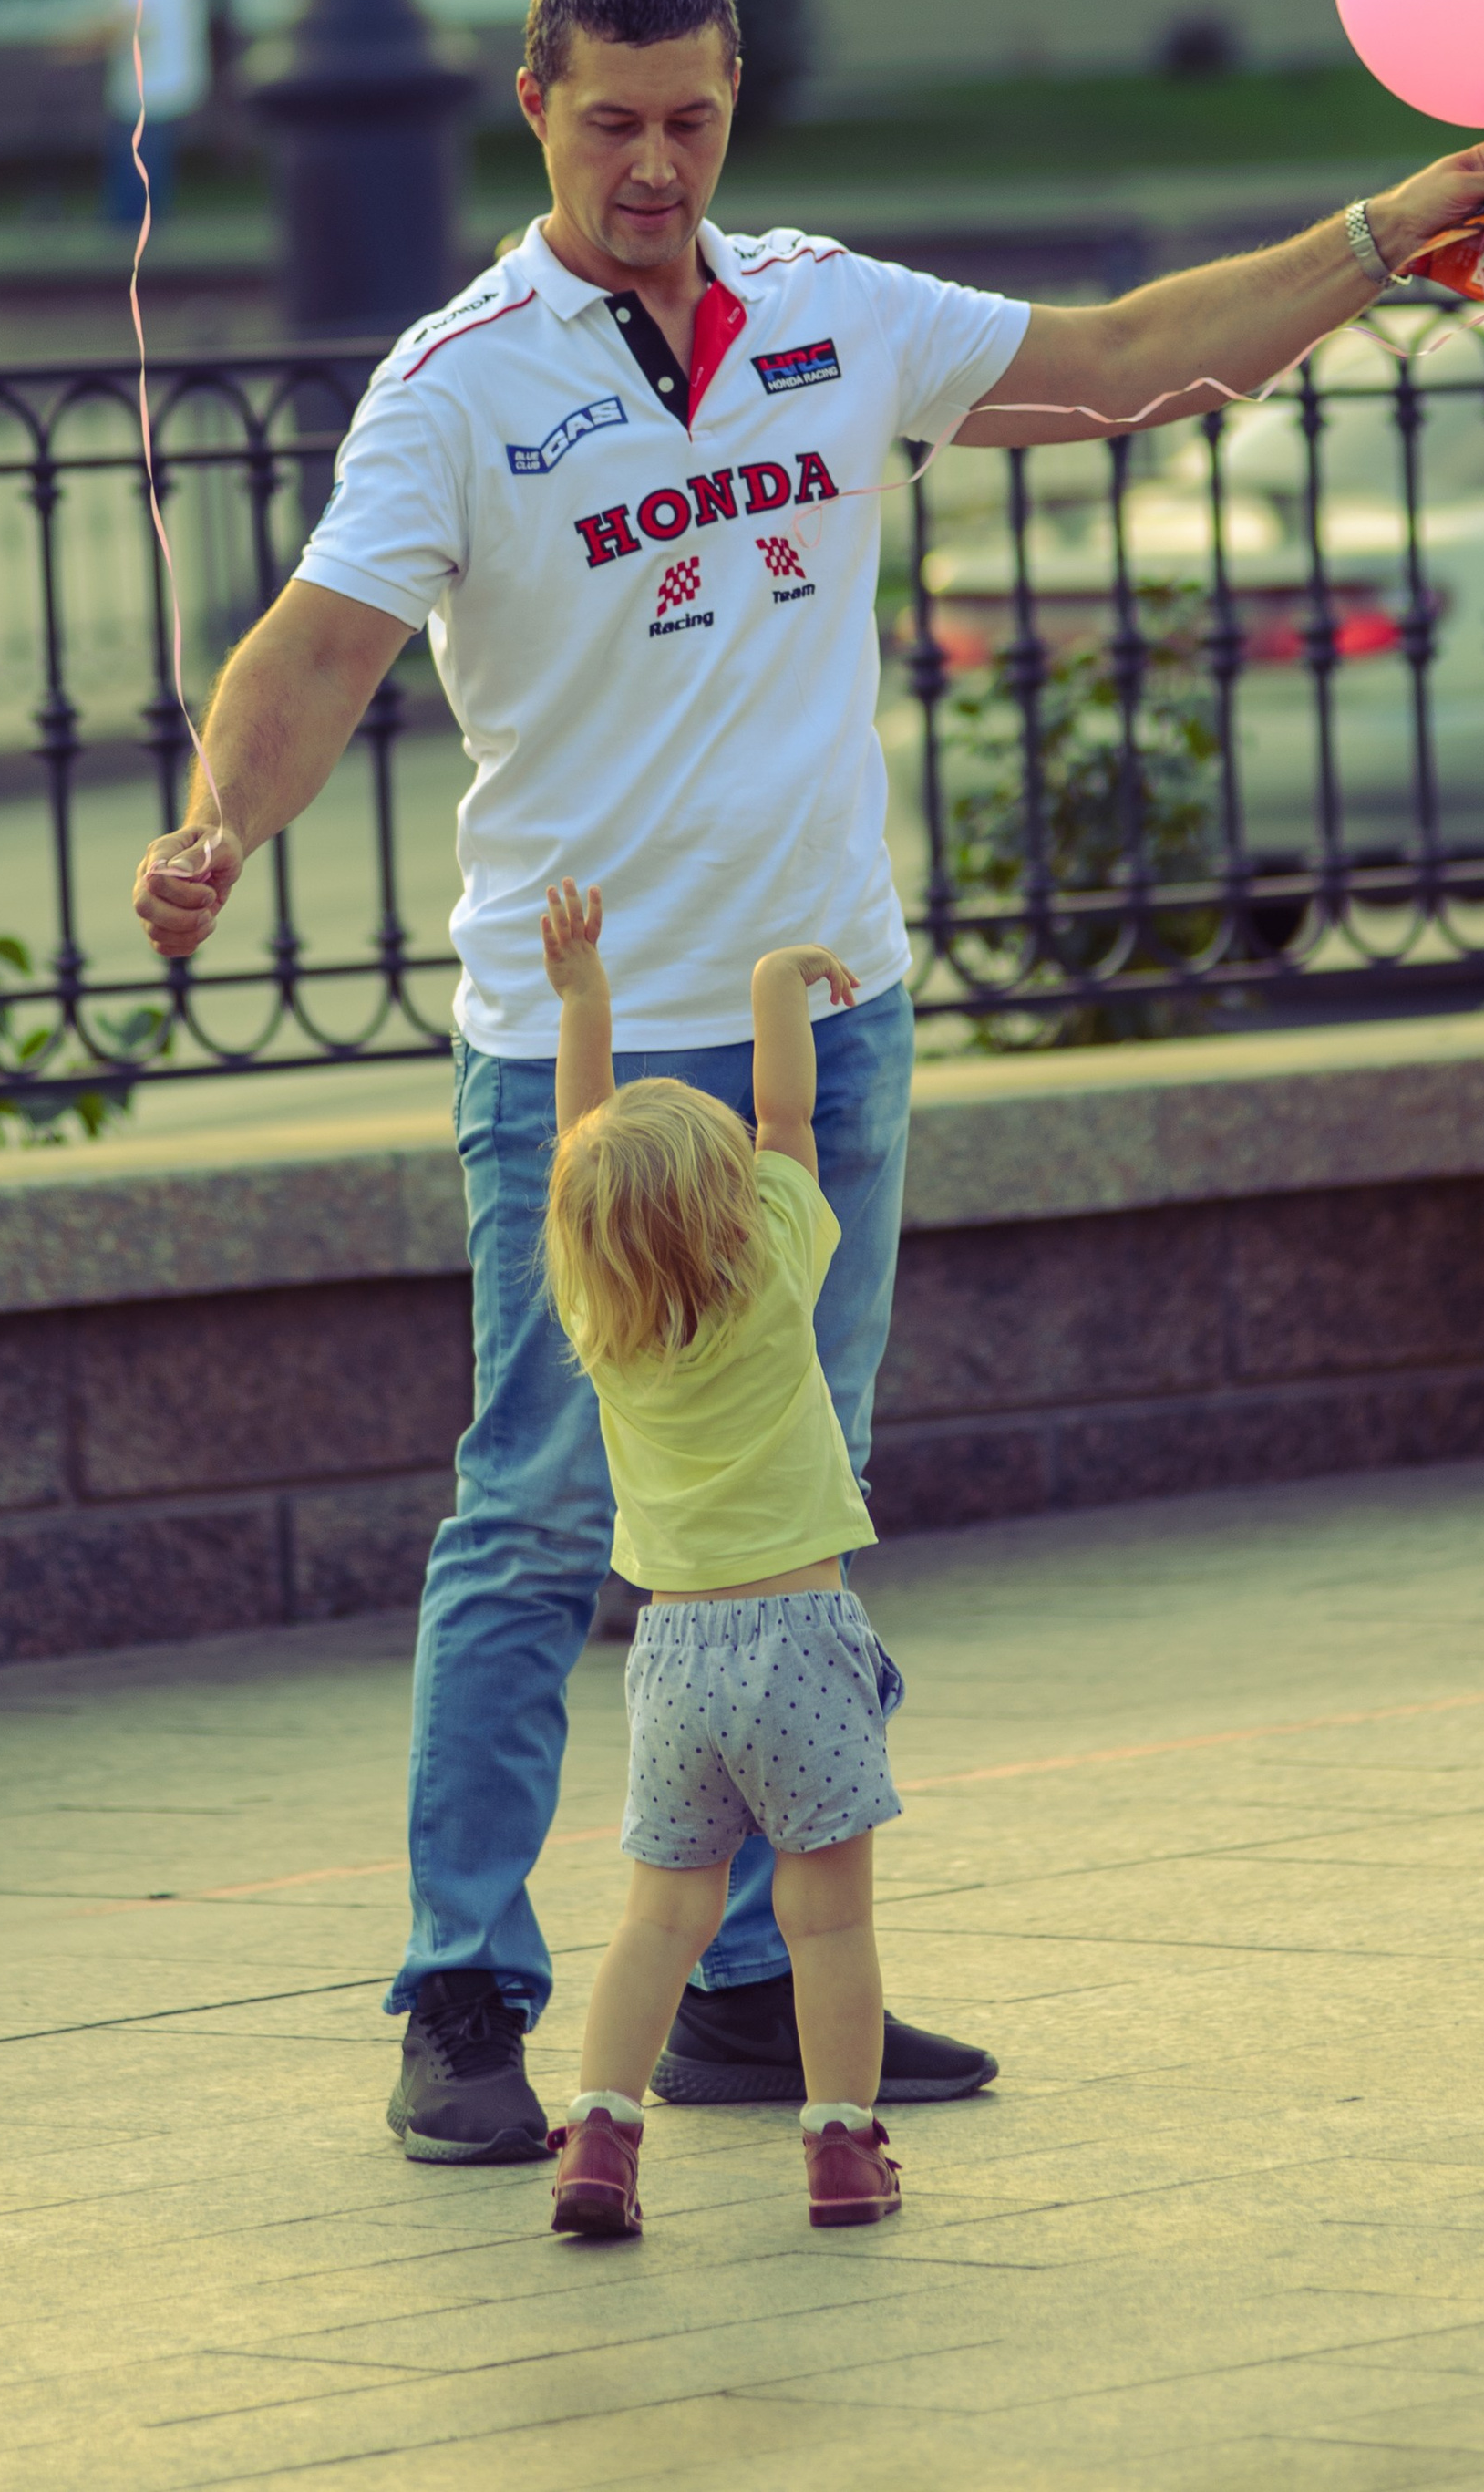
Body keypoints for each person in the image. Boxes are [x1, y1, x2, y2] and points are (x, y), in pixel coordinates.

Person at [131, 0, 1484, 2166]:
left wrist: (1387, 229)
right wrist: (221, 818)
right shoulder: (459, 377)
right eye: (610, 121)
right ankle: (462, 1987)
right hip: (582, 1074)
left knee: (780, 1519)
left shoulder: (822, 311)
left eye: (690, 117)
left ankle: (743, 1983)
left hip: (824, 1032)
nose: (654, 164)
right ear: (536, 107)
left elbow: (1121, 361)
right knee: (535, 1509)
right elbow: (312, 653)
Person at [536, 881, 905, 2241]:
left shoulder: (597, 1306)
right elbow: (793, 1118)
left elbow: (585, 1139)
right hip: (802, 1636)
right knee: (826, 1919)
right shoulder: (775, 1268)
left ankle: (599, 2134)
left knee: (656, 1918)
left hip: (672, 1655)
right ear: (737, 1199)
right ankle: (842, 2146)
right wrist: (773, 983)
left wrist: (583, 999)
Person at [57, 0, 210, 228]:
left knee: (143, 160)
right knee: (131, 156)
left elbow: (127, 19)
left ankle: (133, 228)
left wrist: (78, 48)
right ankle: (125, 224)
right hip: (137, 84)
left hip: (159, 83)